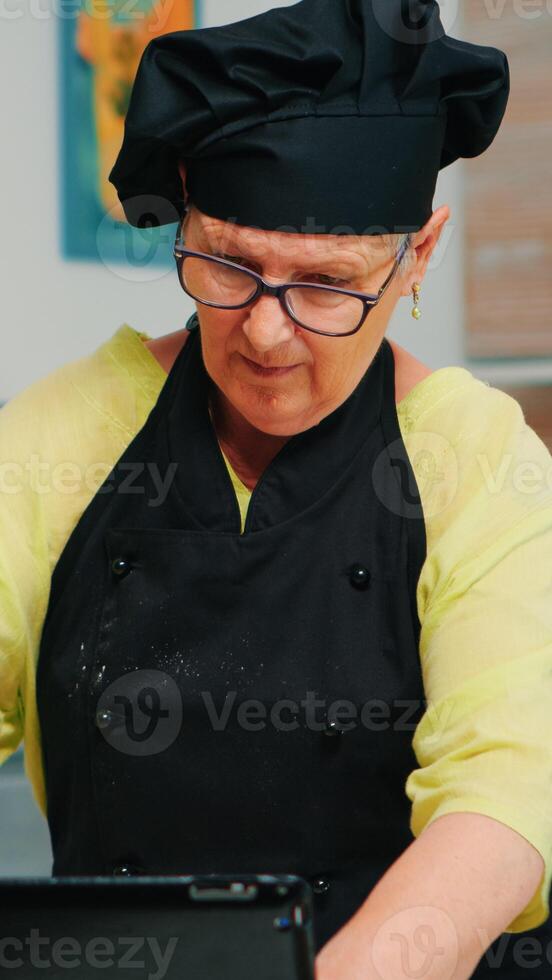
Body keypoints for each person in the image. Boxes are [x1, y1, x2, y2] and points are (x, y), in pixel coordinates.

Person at [3, 1, 552, 977]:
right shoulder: (60, 434)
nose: (263, 331)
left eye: (326, 286)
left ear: (417, 254)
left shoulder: (475, 458)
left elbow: (505, 792)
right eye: (228, 263)